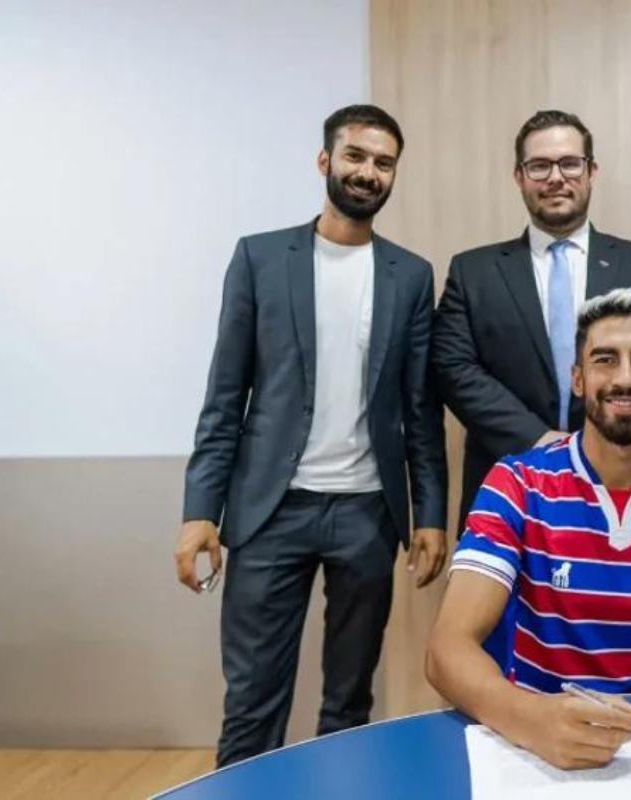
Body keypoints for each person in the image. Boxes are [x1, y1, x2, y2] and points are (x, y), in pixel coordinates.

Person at [175, 104, 448, 767]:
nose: (368, 172)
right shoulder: (260, 259)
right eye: (355, 156)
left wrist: (431, 514)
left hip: (366, 516)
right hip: (271, 513)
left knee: (349, 703)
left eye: (383, 163)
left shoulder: (409, 276)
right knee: (252, 701)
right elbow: (223, 399)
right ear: (325, 161)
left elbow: (419, 408)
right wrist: (199, 512)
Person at [426, 288, 631, 770]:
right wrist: (532, 720)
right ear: (579, 379)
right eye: (606, 360)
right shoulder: (517, 484)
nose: (625, 378)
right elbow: (446, 649)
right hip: (538, 735)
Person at [431, 109, 631, 530]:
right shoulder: (473, 272)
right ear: (519, 176)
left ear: (591, 171)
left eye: (570, 163)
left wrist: (610, 434)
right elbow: (452, 367)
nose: (556, 177)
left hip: (627, 482)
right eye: (539, 166)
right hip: (510, 482)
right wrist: (537, 441)